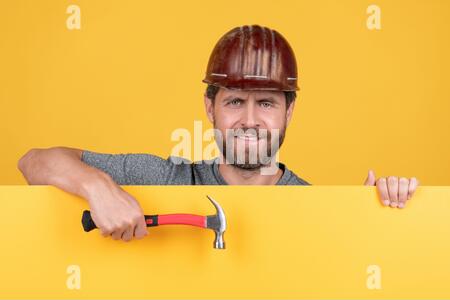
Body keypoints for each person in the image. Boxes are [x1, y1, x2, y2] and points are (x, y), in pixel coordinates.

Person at [18, 25, 419, 242]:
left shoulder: (313, 208)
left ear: (289, 111)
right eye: (234, 102)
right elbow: (33, 161)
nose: (249, 120)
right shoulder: (165, 179)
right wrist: (99, 189)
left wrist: (380, 217)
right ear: (209, 107)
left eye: (266, 103)